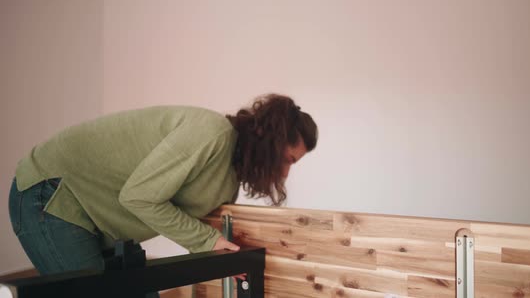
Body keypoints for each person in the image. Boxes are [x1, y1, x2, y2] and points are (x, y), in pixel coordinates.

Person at [8, 94, 318, 279]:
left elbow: (199, 232)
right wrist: (208, 242)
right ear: (271, 144)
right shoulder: (212, 134)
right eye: (287, 160)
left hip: (96, 215)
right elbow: (139, 197)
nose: (286, 173)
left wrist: (225, 258)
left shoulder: (229, 179)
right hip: (51, 191)